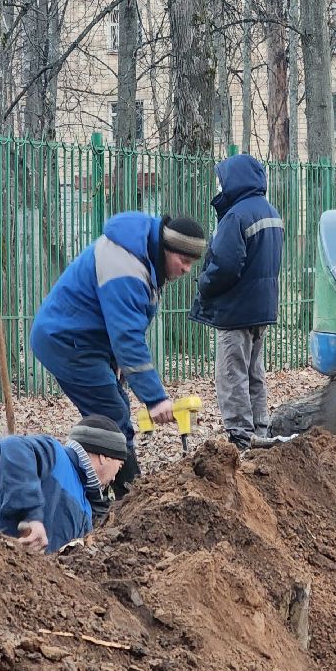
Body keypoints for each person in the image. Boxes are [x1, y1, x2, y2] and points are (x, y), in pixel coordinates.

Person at [30, 211, 208, 496]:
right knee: (112, 417)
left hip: (81, 339)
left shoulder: (143, 255)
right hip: (66, 342)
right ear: (167, 249)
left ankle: (99, 490)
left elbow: (114, 320)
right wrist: (155, 398)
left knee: (111, 412)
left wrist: (115, 361)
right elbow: (127, 337)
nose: (187, 270)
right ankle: (126, 496)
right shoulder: (127, 266)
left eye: (192, 263)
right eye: (184, 261)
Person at [188, 155, 284, 450]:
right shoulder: (271, 213)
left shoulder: (236, 216)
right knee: (255, 372)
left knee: (232, 373)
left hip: (236, 310)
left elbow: (225, 266)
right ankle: (260, 430)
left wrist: (203, 284)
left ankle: (240, 436)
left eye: (222, 179)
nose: (219, 185)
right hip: (262, 308)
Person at [0, 416, 127, 554]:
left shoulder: (87, 505)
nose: (114, 478)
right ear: (105, 457)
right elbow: (12, 446)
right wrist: (31, 517)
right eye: (119, 467)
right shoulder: (56, 455)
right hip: (0, 562)